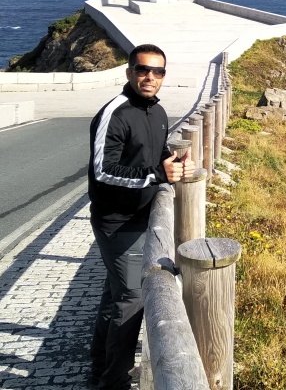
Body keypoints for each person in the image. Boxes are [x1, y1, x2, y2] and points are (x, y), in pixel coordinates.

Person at [87, 43, 194, 390]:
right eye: (143, 70)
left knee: (115, 294)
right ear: (129, 72)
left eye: (158, 71)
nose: (150, 77)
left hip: (142, 216)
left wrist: (174, 164)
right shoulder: (115, 113)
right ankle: (113, 381)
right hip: (116, 220)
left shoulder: (158, 112)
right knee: (131, 300)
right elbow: (103, 171)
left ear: (164, 75)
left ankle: (101, 364)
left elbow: (157, 155)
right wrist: (155, 175)